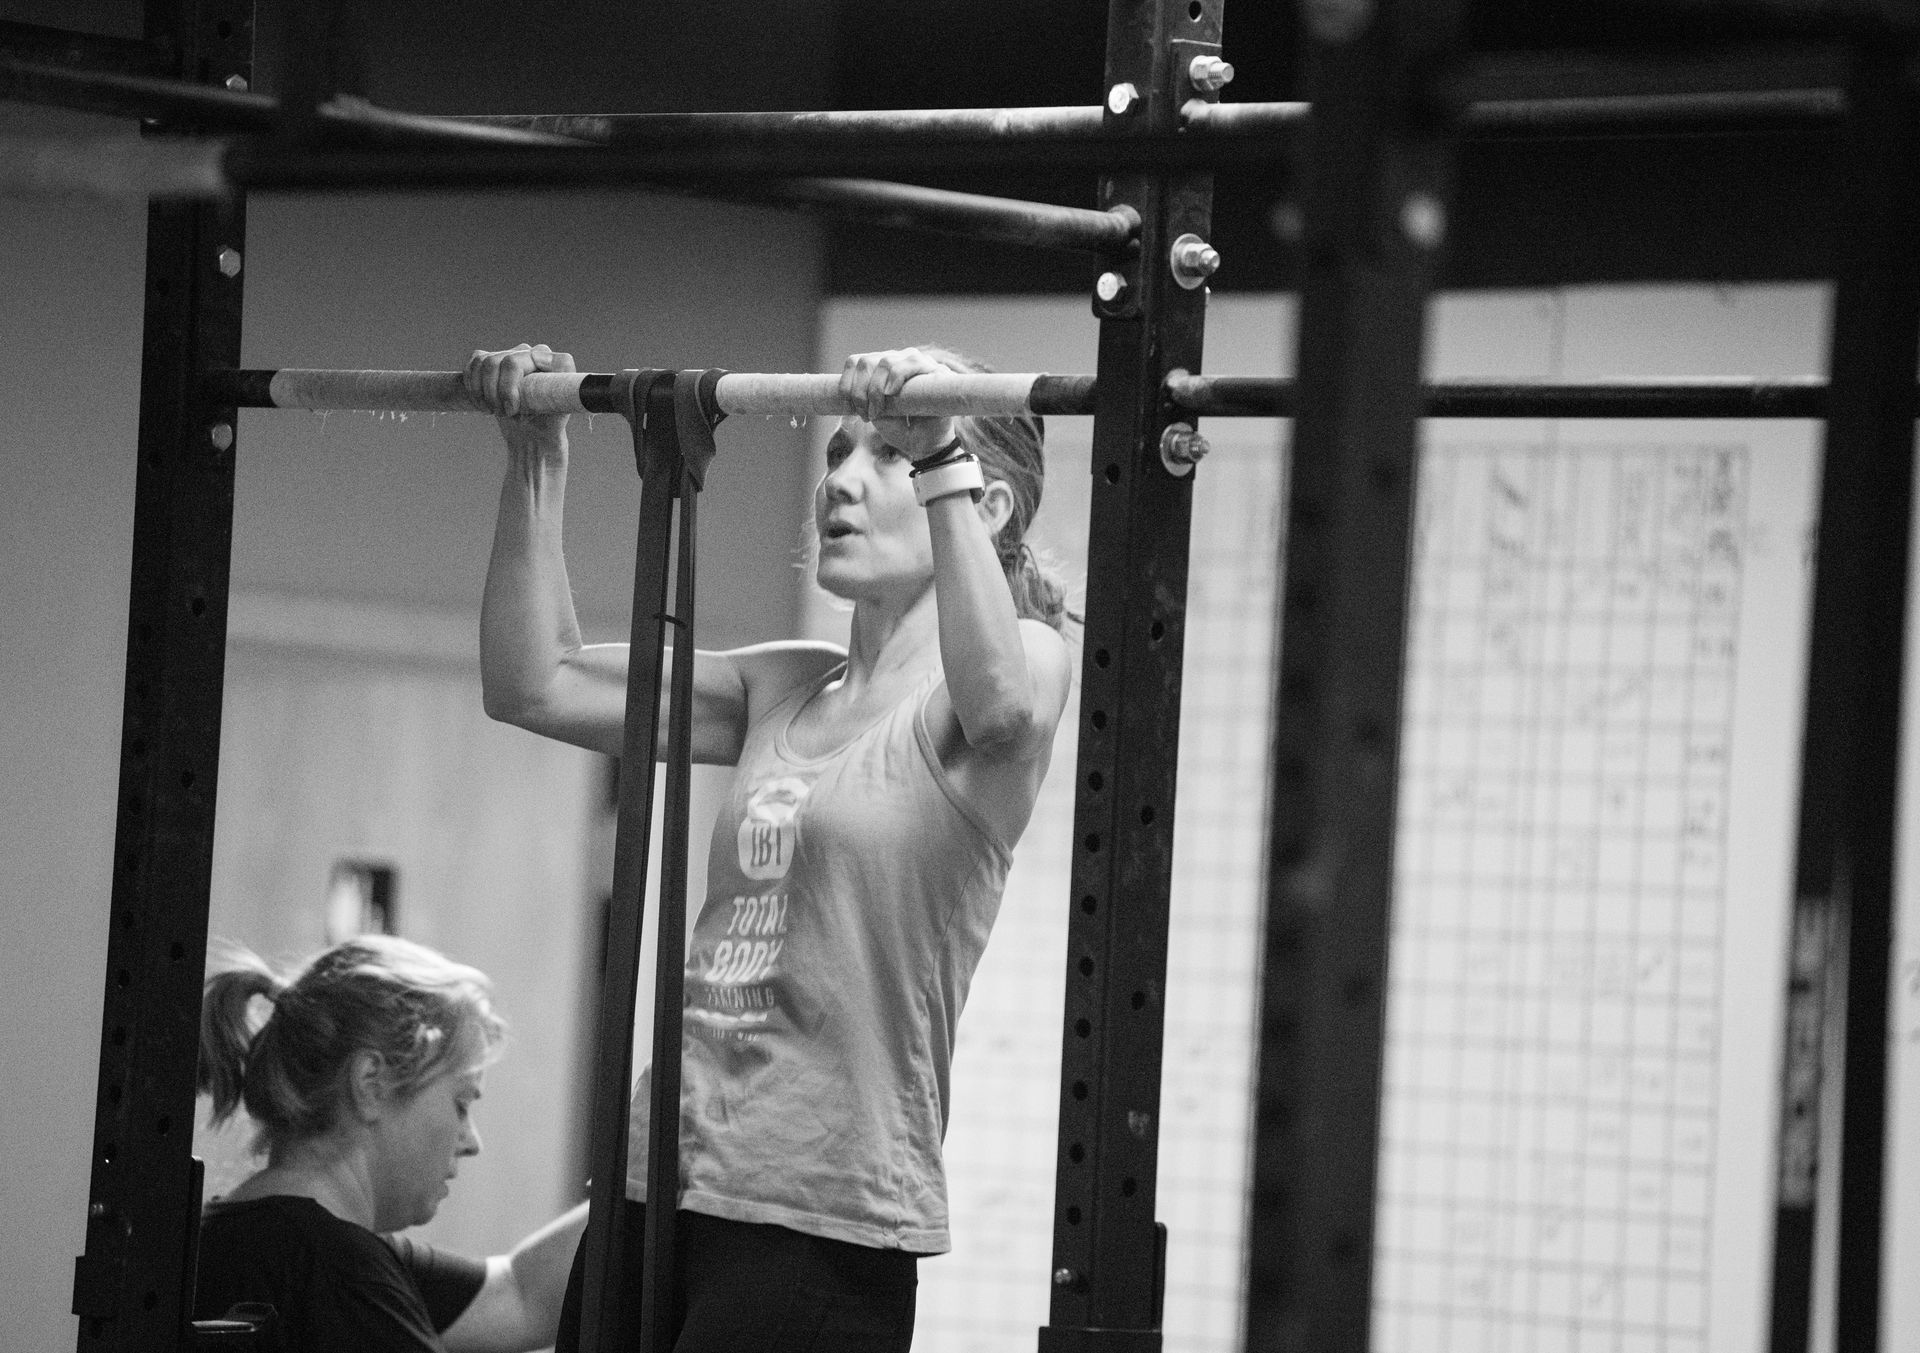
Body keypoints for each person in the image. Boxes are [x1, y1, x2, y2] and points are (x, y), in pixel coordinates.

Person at [469, 341, 1074, 1352]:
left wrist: (940, 457)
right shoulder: (781, 686)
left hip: (821, 1219)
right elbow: (534, 682)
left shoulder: (1022, 673)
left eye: (884, 455)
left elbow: (1002, 709)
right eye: (841, 451)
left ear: (985, 504)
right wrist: (537, 454)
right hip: (660, 1181)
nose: (838, 478)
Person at [195, 934, 587, 1353]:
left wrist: (644, 1166)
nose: (472, 1142)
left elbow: (520, 1296)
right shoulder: (343, 1277)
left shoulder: (231, 1240)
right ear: (371, 1085)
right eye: (461, 1102)